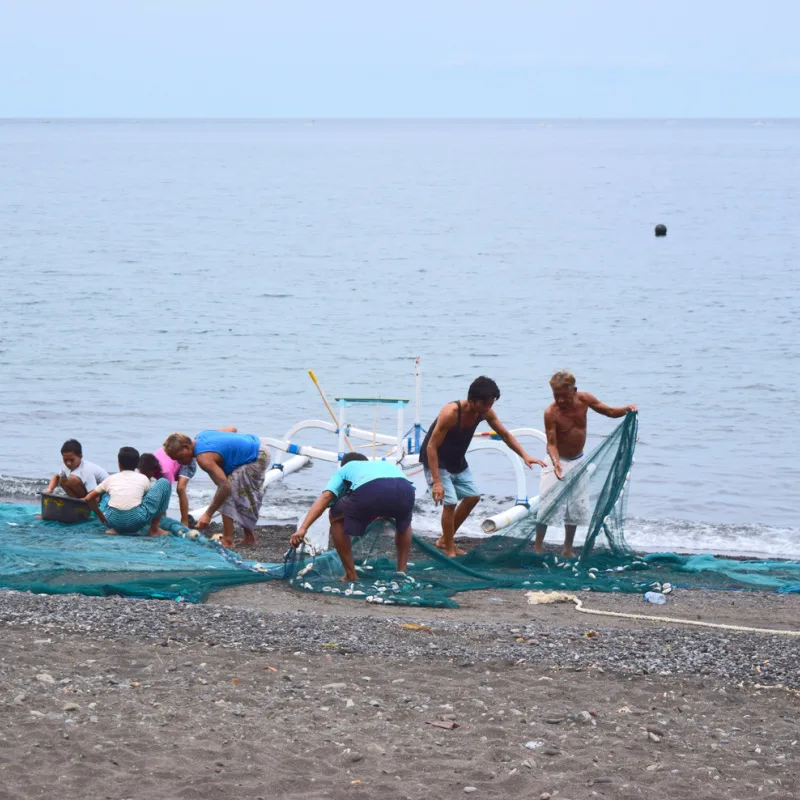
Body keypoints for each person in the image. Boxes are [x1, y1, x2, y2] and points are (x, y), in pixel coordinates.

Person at [420, 376, 547, 557]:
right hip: (436, 459)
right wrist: (437, 482)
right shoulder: (451, 413)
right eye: (486, 404)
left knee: (473, 497)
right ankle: (449, 548)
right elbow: (432, 446)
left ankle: (444, 539)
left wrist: (525, 456)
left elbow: (504, 434)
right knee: (450, 503)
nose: (489, 408)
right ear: (473, 400)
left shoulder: (485, 412)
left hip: (456, 459)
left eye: (492, 403)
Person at [535, 370, 637, 558]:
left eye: (564, 396)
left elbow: (608, 411)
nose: (561, 401)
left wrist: (626, 409)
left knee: (575, 506)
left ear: (574, 390)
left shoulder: (585, 399)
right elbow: (551, 443)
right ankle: (538, 547)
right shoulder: (551, 412)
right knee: (547, 505)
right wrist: (556, 463)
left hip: (578, 461)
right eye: (556, 396)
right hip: (556, 461)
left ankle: (567, 549)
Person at [290, 452, 416, 582]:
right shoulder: (382, 465)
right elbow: (390, 489)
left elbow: (326, 497)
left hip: (372, 489)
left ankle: (350, 574)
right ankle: (401, 571)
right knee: (404, 522)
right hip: (406, 490)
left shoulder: (345, 469)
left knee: (335, 516)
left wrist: (303, 528)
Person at [163, 429, 270, 548]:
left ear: (186, 447)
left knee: (226, 492)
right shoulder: (200, 437)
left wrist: (208, 514)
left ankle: (228, 540)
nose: (180, 463)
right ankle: (249, 538)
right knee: (231, 491)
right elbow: (231, 429)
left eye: (180, 458)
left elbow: (224, 487)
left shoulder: (203, 458)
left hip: (256, 456)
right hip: (258, 446)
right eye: (176, 460)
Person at [85, 447, 172, 537]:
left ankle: (117, 529)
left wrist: (100, 515)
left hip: (112, 521)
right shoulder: (143, 478)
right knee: (164, 482)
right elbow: (148, 500)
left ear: (119, 464)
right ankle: (154, 529)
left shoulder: (111, 478)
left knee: (110, 493)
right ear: (137, 464)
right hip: (136, 521)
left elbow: (89, 498)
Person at [154, 446, 198, 527]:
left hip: (185, 459)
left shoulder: (166, 471)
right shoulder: (143, 468)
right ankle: (162, 519)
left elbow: (165, 495)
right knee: (159, 490)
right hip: (171, 462)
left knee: (180, 489)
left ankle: (185, 522)